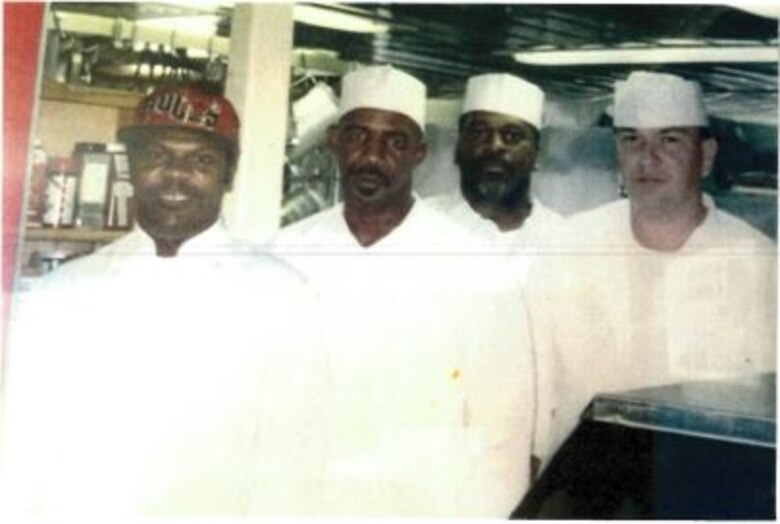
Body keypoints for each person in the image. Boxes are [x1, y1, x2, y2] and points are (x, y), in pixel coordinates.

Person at [0, 84, 328, 516]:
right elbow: (20, 453)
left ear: (229, 175)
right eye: (157, 156)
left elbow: (294, 464)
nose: (177, 173)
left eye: (202, 160)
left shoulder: (283, 296)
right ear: (131, 168)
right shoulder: (61, 294)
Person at [273, 65, 536, 517]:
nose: (372, 156)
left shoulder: (473, 264)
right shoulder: (285, 254)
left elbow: (503, 433)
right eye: (358, 136)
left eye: (394, 142)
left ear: (419, 152)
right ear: (334, 140)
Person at [528, 71, 777, 466]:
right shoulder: (568, 246)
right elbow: (537, 384)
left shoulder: (759, 264)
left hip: (705, 481)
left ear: (706, 156)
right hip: (583, 482)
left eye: (670, 140)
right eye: (632, 140)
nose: (648, 159)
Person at [427, 73, 564, 283]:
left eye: (512, 136)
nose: (494, 146)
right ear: (457, 148)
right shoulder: (420, 224)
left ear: (537, 155)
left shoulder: (562, 237)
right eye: (479, 133)